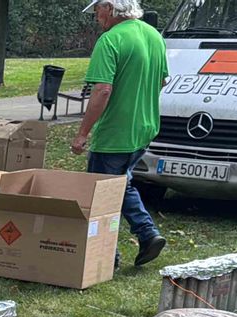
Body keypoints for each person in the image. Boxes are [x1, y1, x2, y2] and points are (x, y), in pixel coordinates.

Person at [71, 0, 169, 268]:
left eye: (98, 10)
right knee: (121, 184)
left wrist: (82, 133)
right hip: (145, 127)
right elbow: (161, 81)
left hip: (115, 131)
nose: (95, 16)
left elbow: (102, 90)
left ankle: (107, 254)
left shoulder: (110, 40)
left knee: (103, 194)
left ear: (112, 8)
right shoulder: (153, 36)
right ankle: (147, 235)